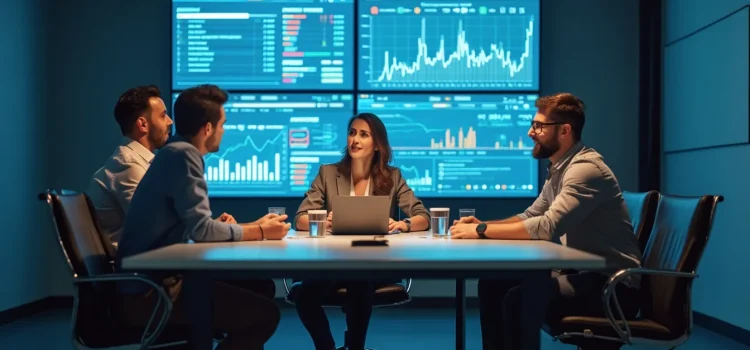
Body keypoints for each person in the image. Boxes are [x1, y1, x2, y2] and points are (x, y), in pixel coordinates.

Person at [450, 93, 643, 350]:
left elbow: (547, 226)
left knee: (519, 299)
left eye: (539, 126)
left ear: (565, 131)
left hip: (612, 286)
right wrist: (484, 225)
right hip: (581, 274)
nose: (531, 132)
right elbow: (531, 215)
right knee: (492, 283)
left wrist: (481, 231)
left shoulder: (585, 170)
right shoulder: (560, 168)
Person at [115, 84, 290, 350]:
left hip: (153, 283)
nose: (224, 131)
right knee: (265, 316)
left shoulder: (173, 152)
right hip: (151, 293)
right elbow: (202, 232)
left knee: (259, 286)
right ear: (207, 128)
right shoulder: (184, 155)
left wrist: (254, 228)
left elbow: (195, 228)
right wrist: (260, 232)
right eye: (222, 124)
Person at [293, 112, 430, 350]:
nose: (355, 140)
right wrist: (325, 220)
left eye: (363, 135)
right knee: (305, 297)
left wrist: (402, 224)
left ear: (377, 145)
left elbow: (423, 217)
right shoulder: (328, 173)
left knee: (360, 280)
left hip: (375, 261)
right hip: (334, 260)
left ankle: (355, 347)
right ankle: (326, 347)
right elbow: (300, 219)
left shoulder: (392, 176)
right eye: (352, 132)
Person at [86, 85, 172, 244]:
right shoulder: (129, 166)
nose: (170, 121)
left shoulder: (138, 163)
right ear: (143, 124)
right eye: (163, 115)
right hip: (134, 266)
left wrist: (209, 228)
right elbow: (156, 228)